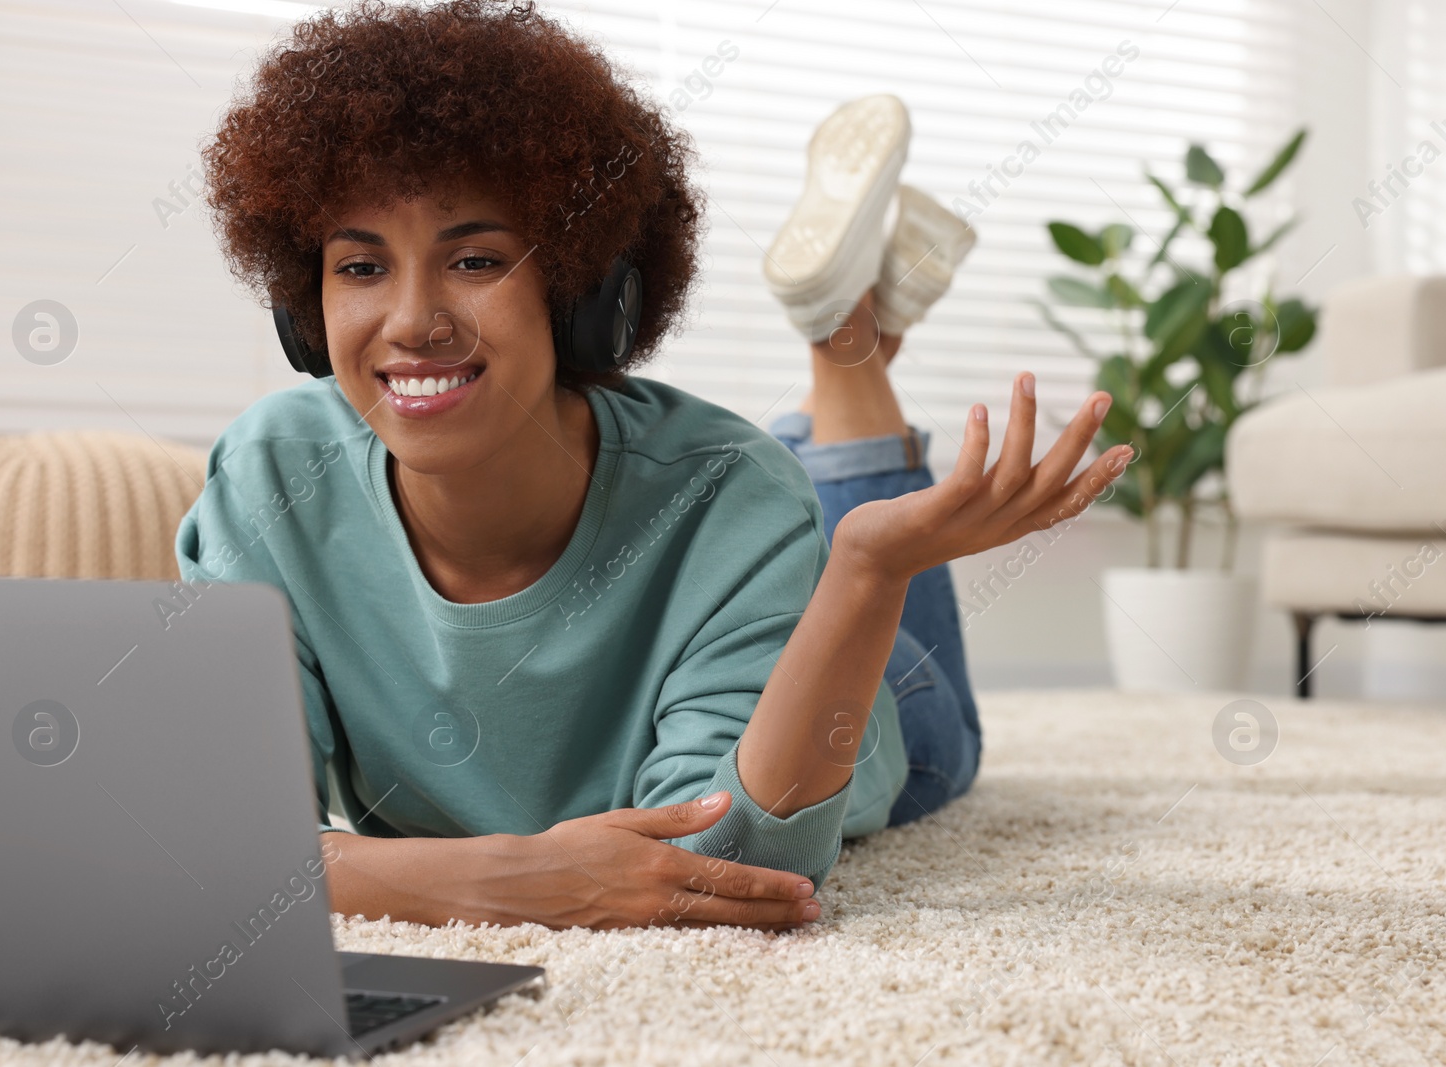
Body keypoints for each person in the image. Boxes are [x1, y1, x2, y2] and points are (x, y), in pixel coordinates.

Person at [178, 0, 1131, 933]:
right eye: (359, 267)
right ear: (303, 312)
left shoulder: (733, 497)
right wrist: (515, 878)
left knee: (930, 718)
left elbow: (729, 866)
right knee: (792, 501)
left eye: (475, 261)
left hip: (859, 733)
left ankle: (847, 346)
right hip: (725, 501)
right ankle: (858, 334)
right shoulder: (269, 481)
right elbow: (219, 851)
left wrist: (871, 571)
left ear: (585, 296)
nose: (414, 321)